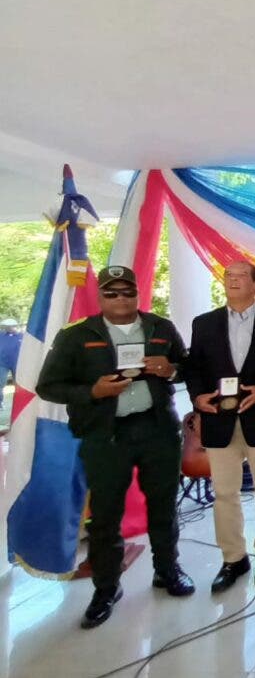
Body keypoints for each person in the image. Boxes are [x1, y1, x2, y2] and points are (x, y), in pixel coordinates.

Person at [36, 266, 194, 628]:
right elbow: (49, 386)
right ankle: (106, 588)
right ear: (101, 296)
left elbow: (187, 367)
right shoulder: (77, 336)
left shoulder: (160, 326)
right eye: (112, 293)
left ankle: (167, 570)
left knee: (164, 507)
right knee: (105, 516)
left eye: (127, 292)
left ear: (137, 294)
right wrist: (93, 391)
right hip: (106, 436)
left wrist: (169, 369)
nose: (121, 299)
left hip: (156, 430)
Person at [184, 261, 255, 593]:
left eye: (240, 276)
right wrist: (197, 398)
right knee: (225, 492)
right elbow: (195, 368)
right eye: (228, 276)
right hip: (219, 422)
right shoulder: (204, 323)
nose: (233, 280)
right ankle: (233, 558)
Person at [0, 317, 22, 409]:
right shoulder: (1, 335)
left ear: (14, 326)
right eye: (6, 326)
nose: (7, 328)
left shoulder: (22, 336)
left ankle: (19, 403)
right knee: (0, 383)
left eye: (9, 326)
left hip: (17, 363)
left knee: (19, 384)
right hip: (2, 363)